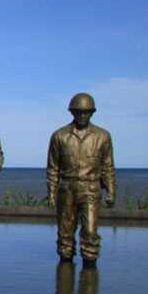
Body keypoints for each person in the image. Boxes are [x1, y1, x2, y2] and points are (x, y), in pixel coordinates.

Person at [47, 93, 116, 267]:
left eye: (86, 112)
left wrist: (110, 191)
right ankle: (64, 273)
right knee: (65, 232)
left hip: (91, 188)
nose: (82, 115)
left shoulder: (103, 136)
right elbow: (53, 168)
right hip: (67, 188)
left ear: (92, 113)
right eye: (78, 112)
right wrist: (51, 193)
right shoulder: (59, 136)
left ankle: (90, 273)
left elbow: (108, 166)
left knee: (91, 232)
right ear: (72, 113)